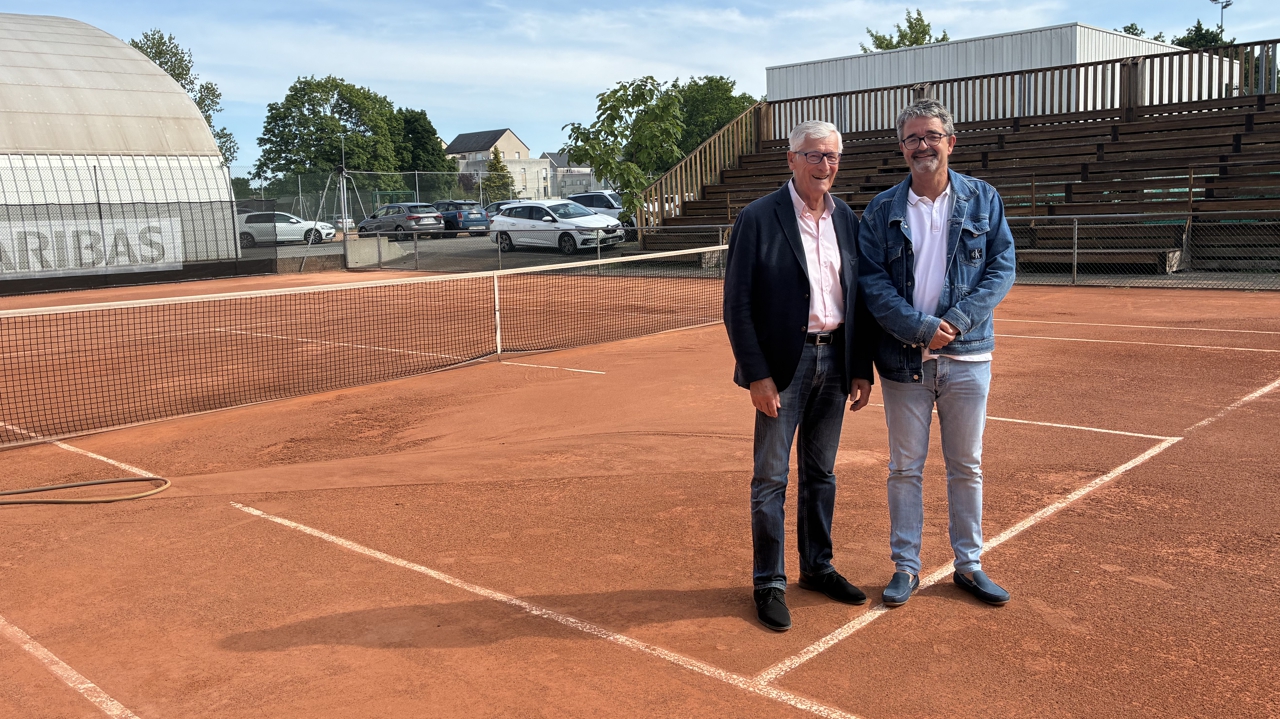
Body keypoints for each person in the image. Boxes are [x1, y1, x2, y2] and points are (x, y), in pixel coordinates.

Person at [857, 99, 1016, 608]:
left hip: (968, 357)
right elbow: (873, 284)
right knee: (904, 467)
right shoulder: (883, 209)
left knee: (966, 464)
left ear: (951, 141)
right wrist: (924, 328)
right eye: (912, 138)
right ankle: (906, 566)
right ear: (901, 147)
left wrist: (958, 322)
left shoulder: (983, 199)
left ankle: (968, 564)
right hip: (905, 359)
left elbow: (1001, 267)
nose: (922, 145)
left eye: (931, 136)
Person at [723, 119, 878, 632]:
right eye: (814, 155)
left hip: (835, 361)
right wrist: (757, 376)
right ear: (791, 160)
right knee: (770, 478)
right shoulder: (759, 217)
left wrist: (860, 368)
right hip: (782, 369)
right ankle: (769, 581)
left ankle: (817, 567)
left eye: (832, 156)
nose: (824, 165)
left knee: (822, 474)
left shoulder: (847, 220)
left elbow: (858, 301)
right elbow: (737, 306)